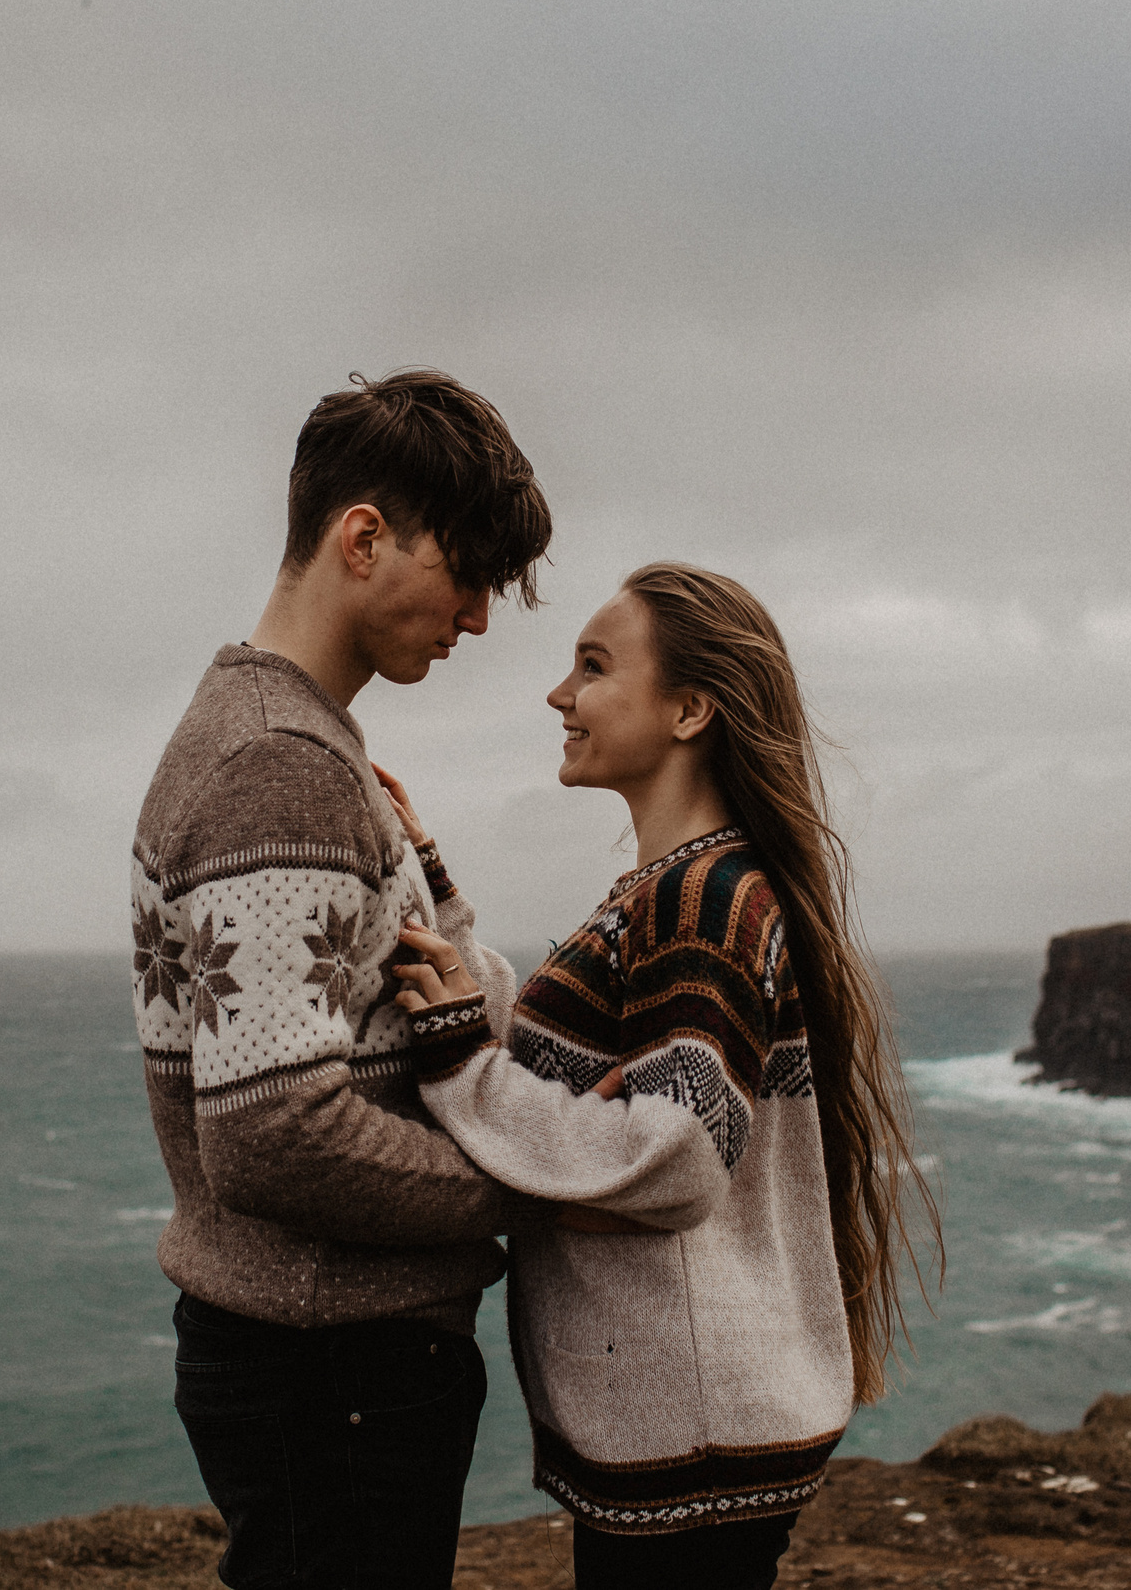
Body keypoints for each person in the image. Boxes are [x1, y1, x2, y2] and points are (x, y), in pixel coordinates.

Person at [385, 562, 940, 1590]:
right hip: (697, 1419)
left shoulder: (706, 902)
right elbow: (554, 1061)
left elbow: (674, 1159)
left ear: (689, 709)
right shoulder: (673, 891)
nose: (560, 695)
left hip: (695, 1431)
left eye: (593, 668)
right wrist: (436, 897)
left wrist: (464, 1070)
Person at [127, 370, 556, 1590]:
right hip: (332, 1363)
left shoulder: (281, 742)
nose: (475, 619)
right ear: (363, 538)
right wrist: (524, 1192)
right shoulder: (281, 765)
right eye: (465, 574)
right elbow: (271, 1134)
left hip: (316, 1359)